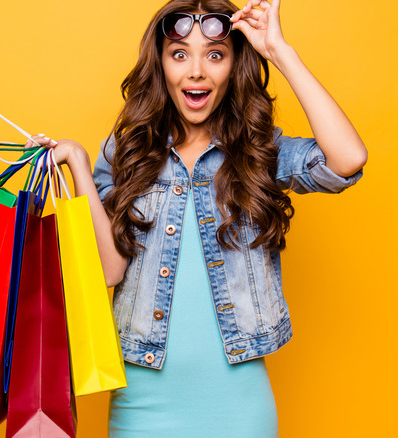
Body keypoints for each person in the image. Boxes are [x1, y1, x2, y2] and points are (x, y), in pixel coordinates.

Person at [29, 0, 366, 436]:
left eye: (215, 54)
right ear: (162, 64)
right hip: (144, 405)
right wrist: (77, 164)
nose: (196, 72)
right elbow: (110, 270)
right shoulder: (127, 152)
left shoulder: (256, 152)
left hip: (238, 407)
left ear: (233, 66)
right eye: (180, 53)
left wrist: (279, 51)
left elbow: (347, 160)